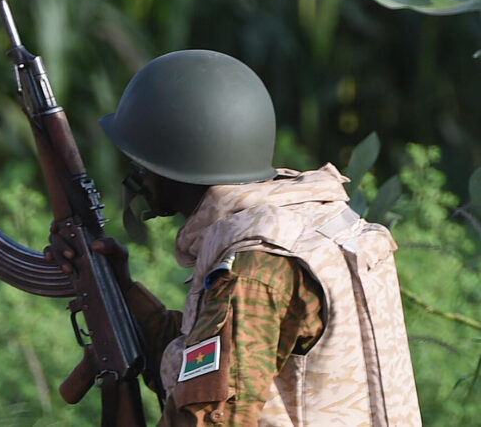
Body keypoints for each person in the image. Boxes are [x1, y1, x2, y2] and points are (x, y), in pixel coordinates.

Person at [47, 50, 421, 426]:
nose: (139, 177)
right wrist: (120, 292)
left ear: (172, 163)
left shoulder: (258, 266)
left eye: (142, 163)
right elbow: (207, 370)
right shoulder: (313, 225)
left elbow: (211, 416)